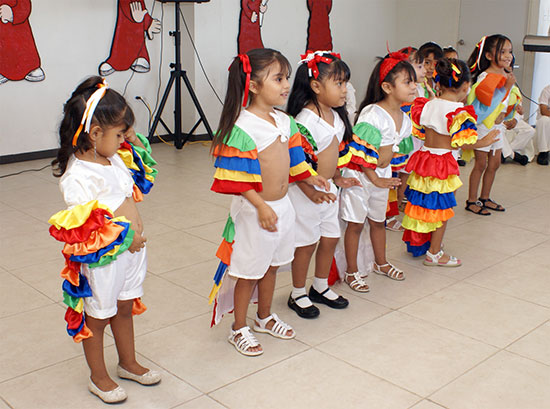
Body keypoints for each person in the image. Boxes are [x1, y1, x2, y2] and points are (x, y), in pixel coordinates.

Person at [208, 48, 328, 356]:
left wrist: (309, 177)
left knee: (273, 266)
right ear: (253, 85)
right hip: (254, 211)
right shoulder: (243, 126)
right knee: (249, 271)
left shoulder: (285, 121)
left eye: (286, 77)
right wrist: (260, 206)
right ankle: (238, 327)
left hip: (283, 208)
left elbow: (295, 159)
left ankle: (263, 317)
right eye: (278, 78)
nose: (286, 84)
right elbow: (236, 178)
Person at [48, 76, 159, 403]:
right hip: (103, 263)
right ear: (95, 134)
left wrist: (134, 143)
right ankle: (98, 377)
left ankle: (128, 363)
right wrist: (127, 240)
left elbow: (140, 178)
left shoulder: (113, 157)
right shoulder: (78, 177)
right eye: (120, 133)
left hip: (131, 253)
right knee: (97, 316)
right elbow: (88, 228)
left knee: (123, 308)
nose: (125, 139)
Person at [286, 50, 360, 317]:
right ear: (316, 86)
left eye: (345, 83)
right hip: (306, 192)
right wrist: (309, 190)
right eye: (338, 83)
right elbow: (296, 163)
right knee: (306, 243)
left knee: (330, 237)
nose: (345, 90)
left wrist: (337, 178)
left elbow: (335, 151)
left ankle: (319, 286)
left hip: (328, 189)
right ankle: (297, 293)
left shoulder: (336, 115)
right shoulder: (305, 120)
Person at [402, 59, 497, 263]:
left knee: (425, 204)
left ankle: (424, 242)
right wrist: (484, 141)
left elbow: (420, 133)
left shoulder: (426, 104)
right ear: (465, 86)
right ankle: (434, 253)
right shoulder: (458, 112)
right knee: (442, 209)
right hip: (443, 165)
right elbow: (461, 143)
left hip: (424, 161)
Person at [339, 51, 416, 283]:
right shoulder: (372, 114)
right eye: (407, 82)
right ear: (387, 87)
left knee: (378, 221)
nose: (414, 87)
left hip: (381, 176)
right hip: (360, 176)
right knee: (355, 224)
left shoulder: (405, 118)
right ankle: (352, 270)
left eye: (414, 81)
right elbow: (358, 155)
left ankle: (380, 262)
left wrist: (385, 177)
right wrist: (375, 179)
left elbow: (395, 153)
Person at [465, 35, 515, 215]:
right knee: (481, 164)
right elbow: (486, 104)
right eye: (502, 51)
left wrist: (511, 116)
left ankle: (485, 197)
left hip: (498, 127)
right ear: (488, 55)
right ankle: (471, 200)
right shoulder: (486, 76)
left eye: (509, 51)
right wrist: (507, 87)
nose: (507, 55)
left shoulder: (506, 74)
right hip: (484, 127)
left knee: (494, 164)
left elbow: (509, 100)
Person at [501, 83, 534, 165]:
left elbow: (519, 110)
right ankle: (514, 156)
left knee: (530, 130)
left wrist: (515, 120)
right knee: (498, 130)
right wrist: (502, 121)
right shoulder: (495, 88)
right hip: (498, 120)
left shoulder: (515, 90)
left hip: (512, 119)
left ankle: (505, 153)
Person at [535, 83, 550, 165]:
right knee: (544, 121)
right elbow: (544, 111)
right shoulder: (547, 90)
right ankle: (543, 152)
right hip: (547, 118)